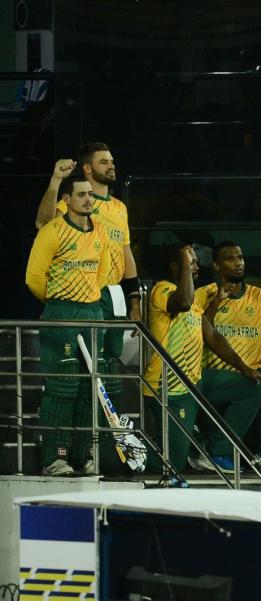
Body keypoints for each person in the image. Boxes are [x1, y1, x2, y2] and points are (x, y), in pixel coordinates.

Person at [143, 243, 261, 474]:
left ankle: (216, 452)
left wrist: (245, 368)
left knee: (251, 387)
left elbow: (211, 335)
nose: (197, 266)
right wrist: (182, 257)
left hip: (195, 381)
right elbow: (183, 302)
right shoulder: (162, 290)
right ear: (175, 266)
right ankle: (130, 451)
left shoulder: (195, 300)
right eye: (191, 262)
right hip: (169, 387)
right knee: (174, 464)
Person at [25, 173, 109, 476]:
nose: (89, 199)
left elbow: (102, 271)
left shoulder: (100, 231)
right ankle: (55, 457)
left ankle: (82, 454)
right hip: (61, 314)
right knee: (63, 387)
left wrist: (90, 299)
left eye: (90, 194)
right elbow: (34, 277)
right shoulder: (53, 231)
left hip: (93, 314)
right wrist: (61, 300)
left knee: (92, 387)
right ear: (67, 200)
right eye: (82, 194)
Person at [35, 144, 141, 367]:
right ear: (87, 169)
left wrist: (134, 300)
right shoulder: (73, 203)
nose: (111, 166)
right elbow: (43, 224)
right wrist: (55, 180)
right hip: (84, 292)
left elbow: (126, 252)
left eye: (111, 161)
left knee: (110, 358)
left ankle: (100, 401)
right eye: (104, 162)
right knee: (78, 361)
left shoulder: (120, 207)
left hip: (114, 293)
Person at [196, 241, 261, 473]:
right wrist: (217, 303)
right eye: (230, 259)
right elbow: (202, 332)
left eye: (240, 257)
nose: (238, 263)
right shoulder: (204, 294)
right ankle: (218, 450)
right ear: (216, 265)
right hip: (214, 376)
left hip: (253, 371)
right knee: (253, 386)